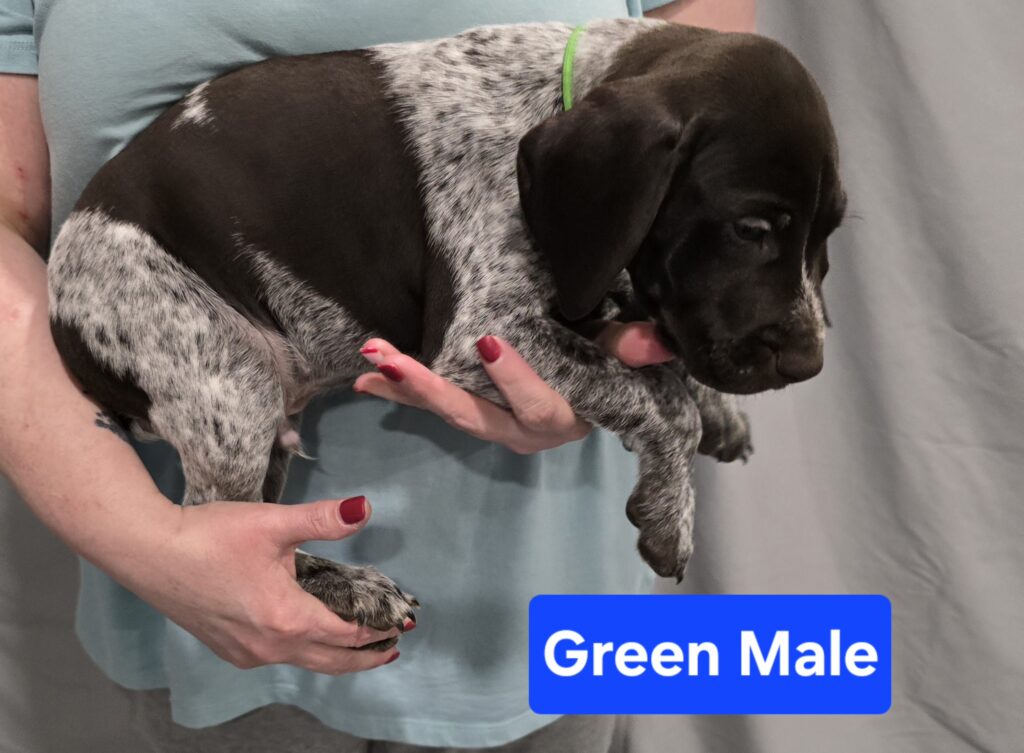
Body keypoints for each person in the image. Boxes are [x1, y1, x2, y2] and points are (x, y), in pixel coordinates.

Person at [0, 1, 754, 750]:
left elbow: (698, 183)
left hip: (548, 599)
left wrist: (659, 353)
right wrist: (154, 541)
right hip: (220, 606)